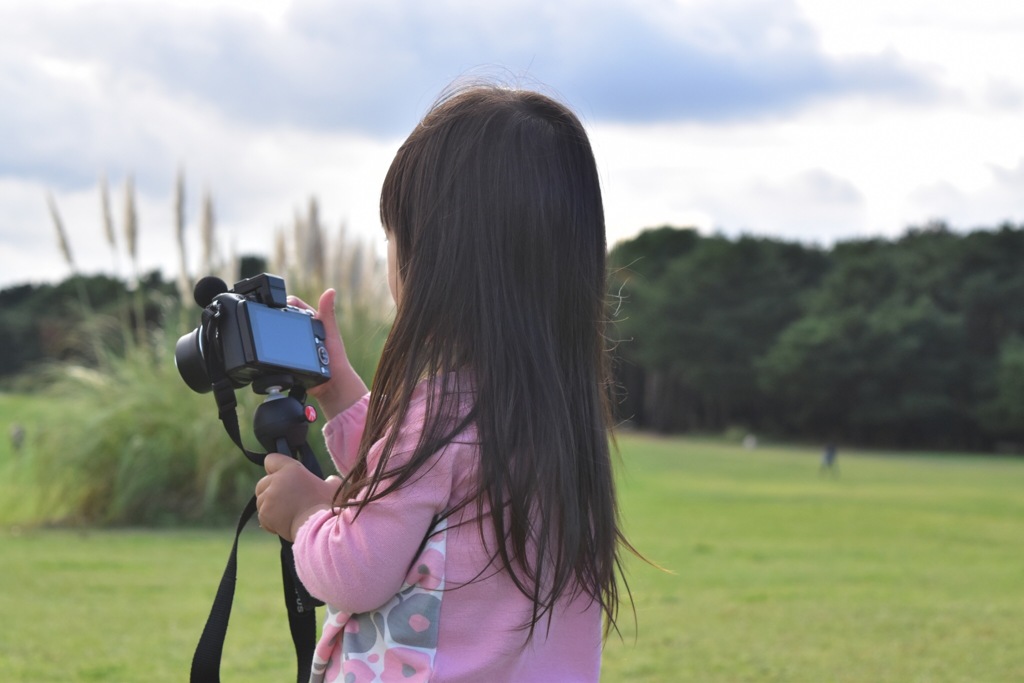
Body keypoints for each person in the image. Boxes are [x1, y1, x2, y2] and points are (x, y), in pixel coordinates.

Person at [254, 83, 633, 682]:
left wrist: (306, 514)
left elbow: (357, 573)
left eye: (393, 236)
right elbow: (423, 498)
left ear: (438, 258)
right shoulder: (553, 421)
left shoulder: (437, 420)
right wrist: (342, 394)